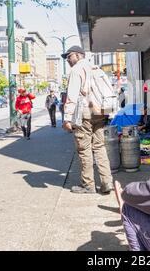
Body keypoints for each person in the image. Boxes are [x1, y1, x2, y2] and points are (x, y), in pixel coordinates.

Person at [61, 45, 113, 194]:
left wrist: (67, 119)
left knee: (84, 149)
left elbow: (71, 96)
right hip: (101, 112)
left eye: (69, 56)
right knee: (99, 147)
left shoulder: (77, 70)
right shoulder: (96, 69)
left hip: (86, 113)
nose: (68, 60)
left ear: (78, 55)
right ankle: (106, 182)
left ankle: (88, 185)